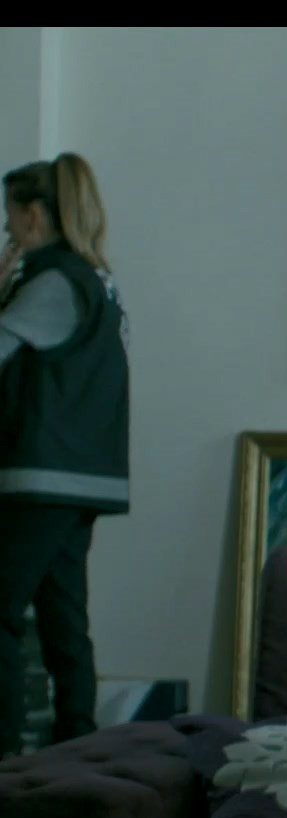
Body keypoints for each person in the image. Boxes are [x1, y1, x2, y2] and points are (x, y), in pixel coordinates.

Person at [0, 152, 128, 759]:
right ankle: (77, 749)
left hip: (40, 475)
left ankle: (5, 754)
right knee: (62, 617)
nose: (6, 230)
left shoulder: (54, 282)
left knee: (2, 611)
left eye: (8, 217)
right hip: (82, 476)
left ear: (33, 215)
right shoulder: (96, 281)